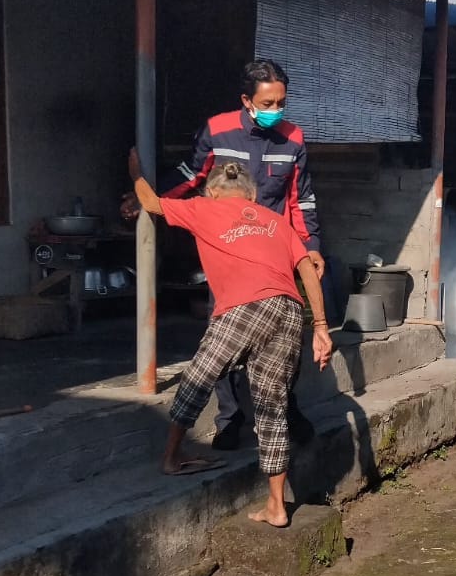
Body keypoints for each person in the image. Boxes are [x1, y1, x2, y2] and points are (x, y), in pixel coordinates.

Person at [123, 59, 322, 451]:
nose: (275, 110)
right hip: (227, 257)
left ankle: (285, 409)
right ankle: (230, 420)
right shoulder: (218, 130)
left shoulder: (293, 138)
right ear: (247, 100)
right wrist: (146, 195)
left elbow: (302, 201)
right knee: (225, 343)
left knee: (284, 344)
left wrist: (311, 247)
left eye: (281, 102)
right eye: (267, 103)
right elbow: (189, 176)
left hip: (275, 253)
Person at [133, 162, 333, 528]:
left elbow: (150, 201)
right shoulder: (276, 222)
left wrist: (134, 169)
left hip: (244, 305)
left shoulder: (202, 207)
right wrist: (320, 326)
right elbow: (306, 268)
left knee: (198, 377)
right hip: (289, 308)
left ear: (212, 192)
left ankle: (172, 457)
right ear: (253, 196)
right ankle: (276, 505)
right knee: (272, 406)